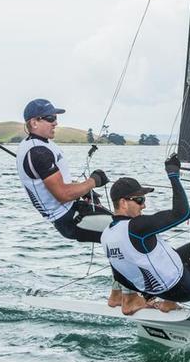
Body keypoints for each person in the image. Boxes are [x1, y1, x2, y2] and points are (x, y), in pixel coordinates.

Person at [15, 98, 123, 306]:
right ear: (34, 122)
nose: (55, 122)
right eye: (50, 118)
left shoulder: (38, 146)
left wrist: (83, 190)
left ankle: (122, 293)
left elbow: (61, 184)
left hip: (73, 209)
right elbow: (63, 194)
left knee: (123, 229)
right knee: (125, 234)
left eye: (56, 118)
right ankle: (124, 297)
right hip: (69, 218)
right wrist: (93, 182)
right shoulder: (38, 152)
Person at [102, 155, 190, 317]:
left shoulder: (106, 235)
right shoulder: (136, 227)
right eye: (139, 200)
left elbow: (120, 274)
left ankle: (157, 302)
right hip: (184, 289)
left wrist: (142, 294)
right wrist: (173, 175)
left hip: (159, 291)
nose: (144, 205)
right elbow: (182, 214)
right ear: (123, 203)